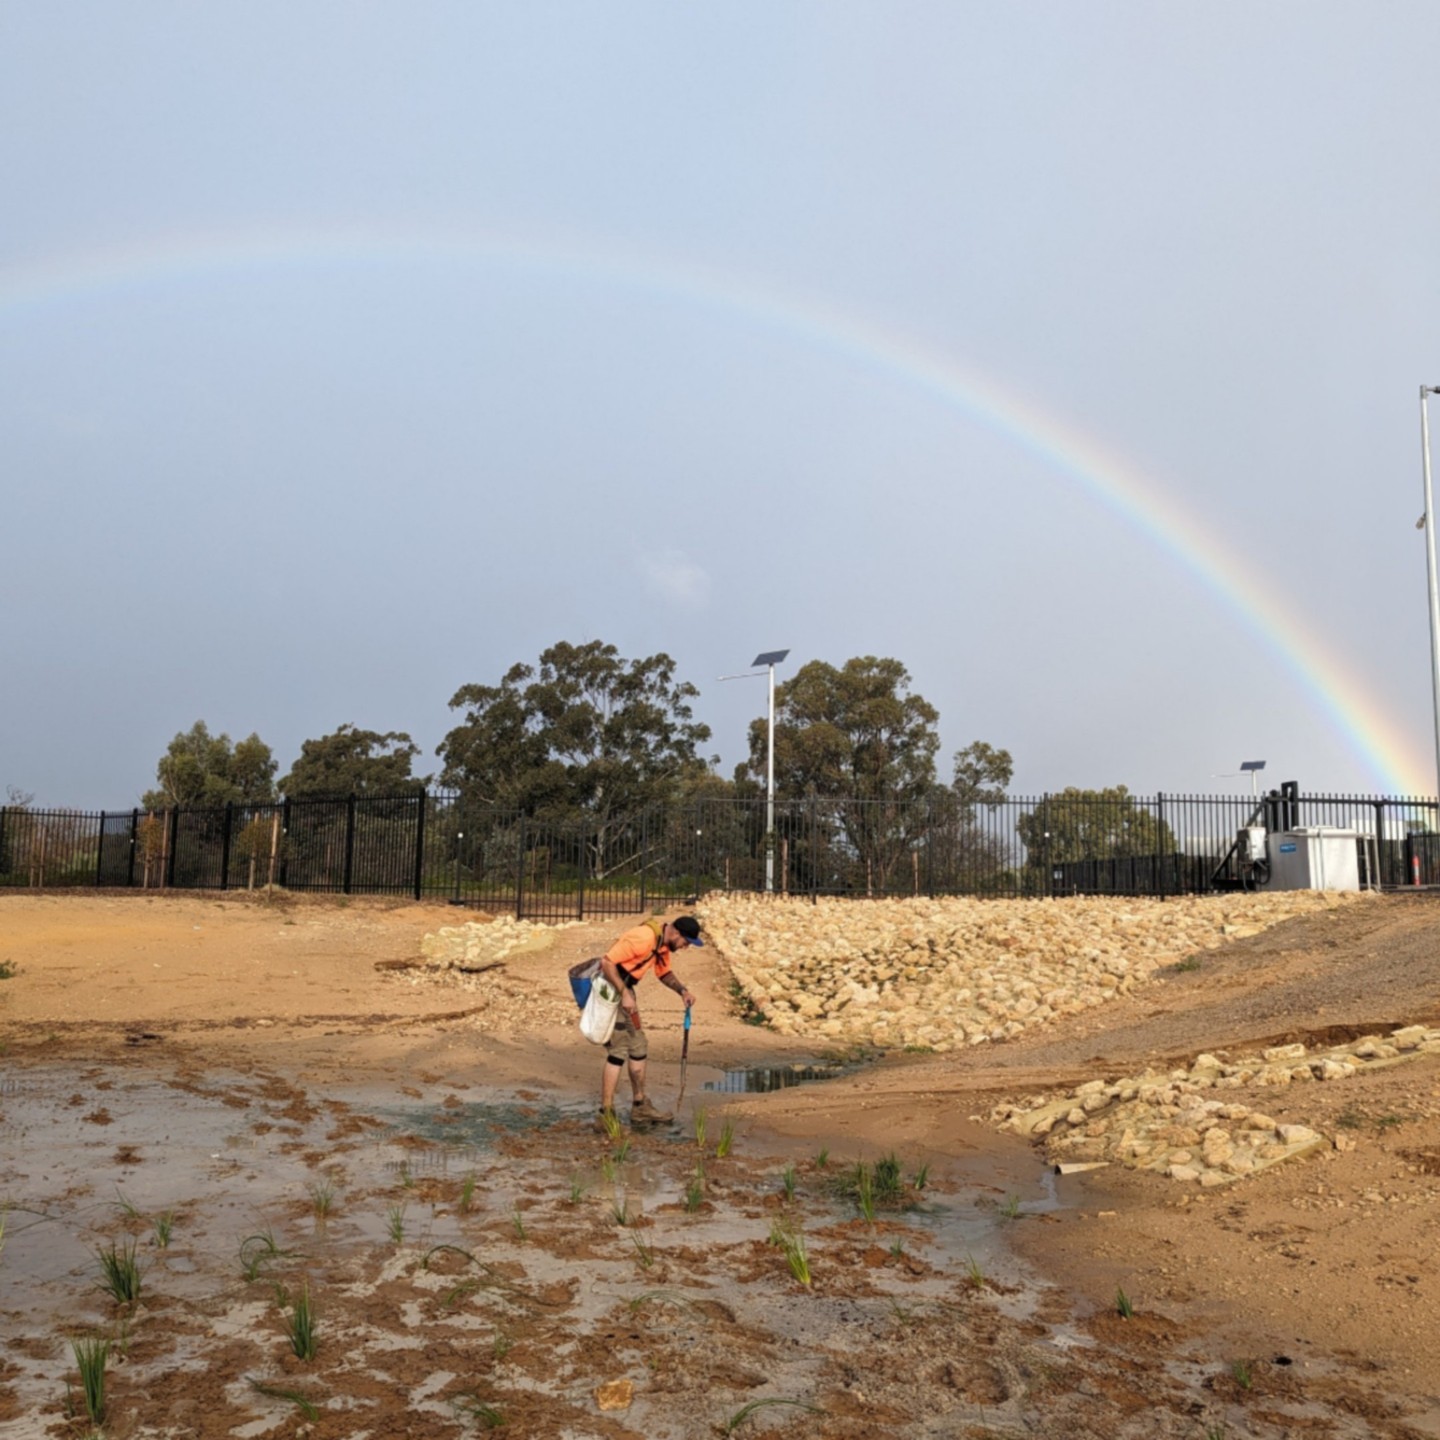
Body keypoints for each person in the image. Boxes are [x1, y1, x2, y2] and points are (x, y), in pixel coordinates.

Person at [596, 915, 701, 1128]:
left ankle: (640, 1106)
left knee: (638, 1046)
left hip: (626, 993)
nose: (685, 947)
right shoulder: (643, 938)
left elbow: (663, 973)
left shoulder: (662, 945)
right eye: (686, 942)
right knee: (618, 1049)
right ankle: (605, 1114)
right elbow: (606, 962)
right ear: (676, 933)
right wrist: (624, 993)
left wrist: (682, 991)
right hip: (611, 990)